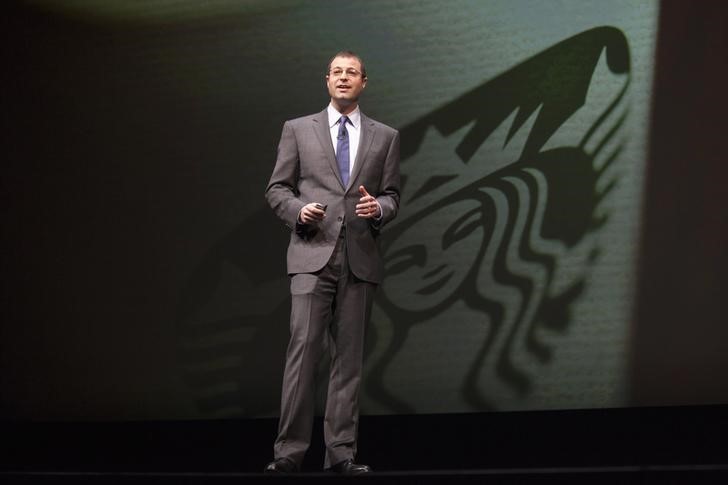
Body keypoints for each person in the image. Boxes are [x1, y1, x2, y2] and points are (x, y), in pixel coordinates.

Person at [264, 50, 400, 474]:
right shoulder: (298, 129)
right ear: (327, 80)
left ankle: (341, 454)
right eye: (337, 72)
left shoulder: (386, 136)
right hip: (310, 256)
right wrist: (297, 211)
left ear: (363, 82)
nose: (344, 79)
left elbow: (393, 195)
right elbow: (277, 189)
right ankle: (288, 454)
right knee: (302, 354)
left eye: (352, 73)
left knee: (349, 362)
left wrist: (378, 208)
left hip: (358, 259)